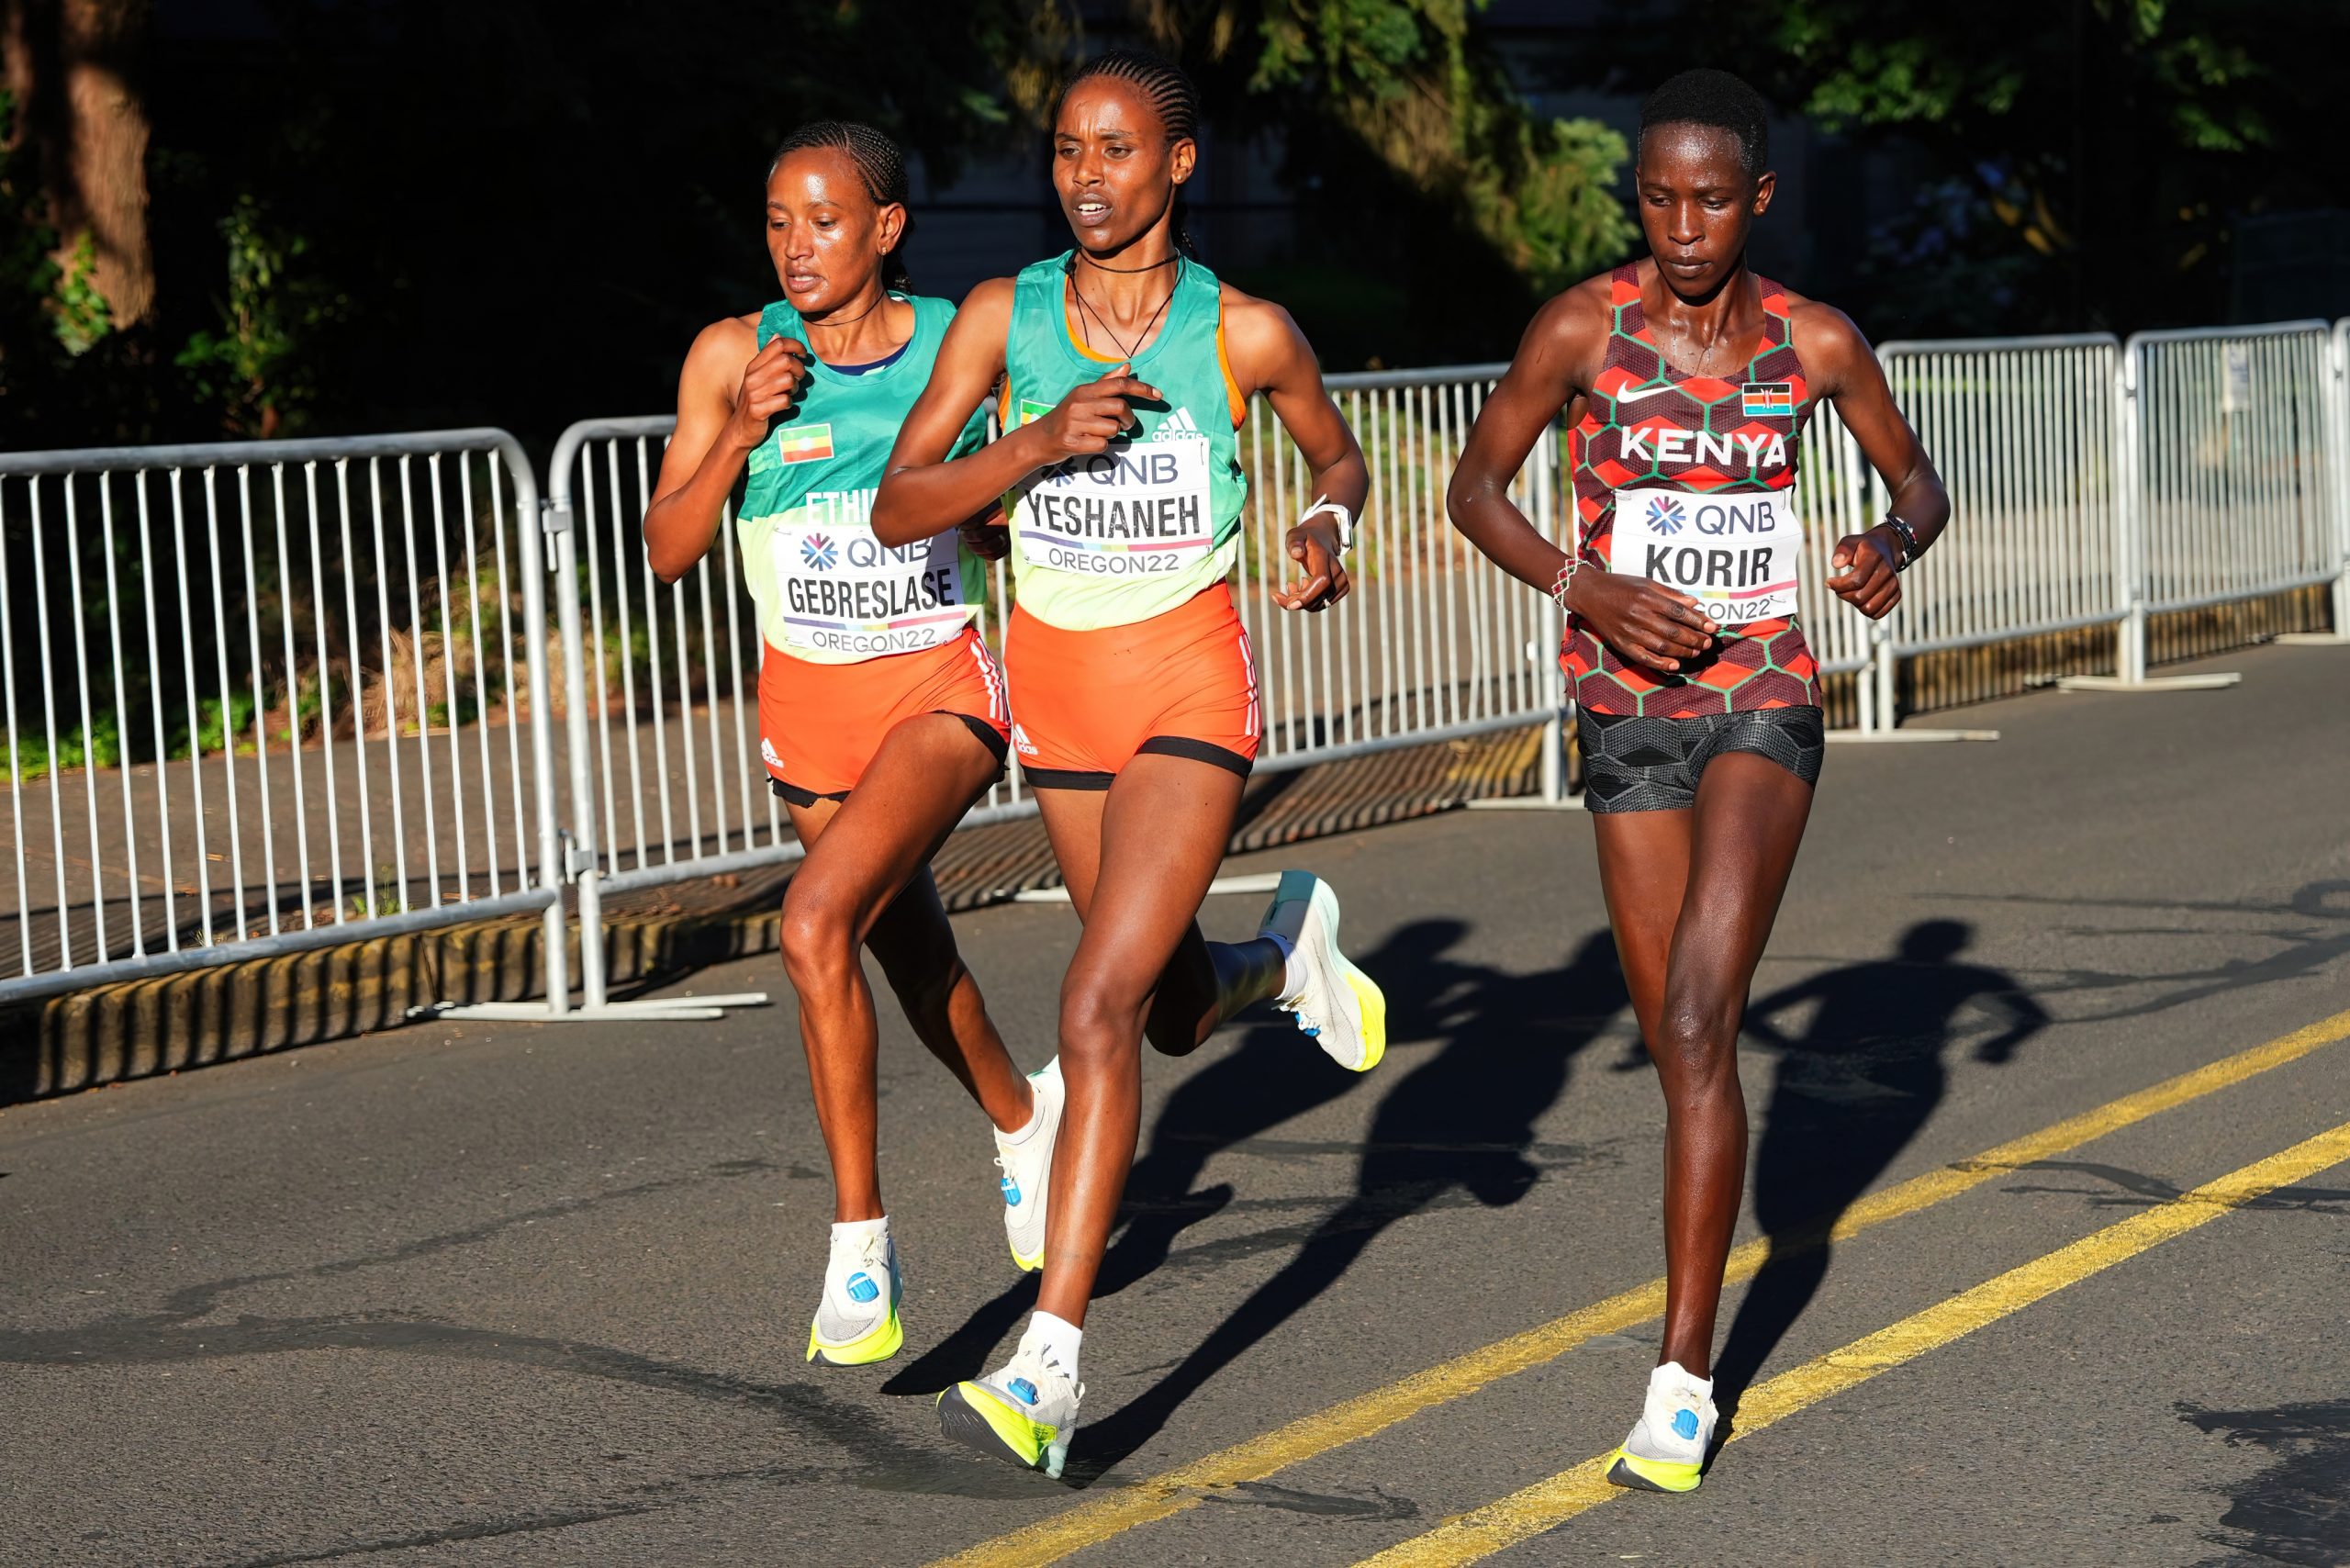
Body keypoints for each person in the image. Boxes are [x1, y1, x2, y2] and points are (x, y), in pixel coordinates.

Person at [870, 50, 1387, 1478]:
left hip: (1186, 686)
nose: (1084, 176)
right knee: (1161, 1010)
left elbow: (1339, 462)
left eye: (1114, 150)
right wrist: (1028, 447)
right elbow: (902, 501)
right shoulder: (1004, 316)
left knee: (1092, 1005)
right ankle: (1275, 962)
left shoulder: (1247, 332)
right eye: (1063, 151)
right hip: (1062, 698)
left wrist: (1327, 530)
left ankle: (1050, 1363)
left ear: (1177, 166)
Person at [1446, 67, 1949, 1495]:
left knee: (1697, 1008)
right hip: (1621, 712)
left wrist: (1885, 549)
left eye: (1712, 197)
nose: (1683, 225)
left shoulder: (1813, 340)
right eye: (1659, 196)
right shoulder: (1580, 329)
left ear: (1759, 199)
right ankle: (1687, 1335)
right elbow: (1473, 488)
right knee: (1683, 1052)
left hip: (1760, 697)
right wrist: (1582, 583)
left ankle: (1681, 1373)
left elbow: (1918, 484)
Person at [643, 121, 1060, 1372]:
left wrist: (990, 512)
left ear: (885, 230)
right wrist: (738, 434)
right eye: (777, 222)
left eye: (824, 222)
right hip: (808, 713)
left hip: (937, 684)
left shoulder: (950, 340)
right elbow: (667, 547)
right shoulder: (732, 353)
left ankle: (860, 1244)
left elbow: (1007, 498)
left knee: (814, 922)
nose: (796, 247)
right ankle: (1024, 1120)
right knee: (911, 956)